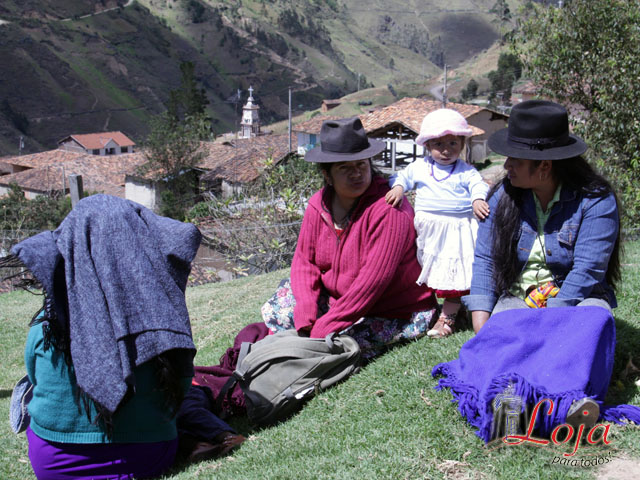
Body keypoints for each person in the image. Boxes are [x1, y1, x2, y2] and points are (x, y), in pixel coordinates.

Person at [3, 194, 242, 480]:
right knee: (189, 392)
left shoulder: (47, 323)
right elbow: (177, 389)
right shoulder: (160, 317)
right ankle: (197, 439)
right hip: (145, 458)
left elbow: (36, 375)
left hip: (54, 466)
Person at [261, 117, 438, 358]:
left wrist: (323, 327)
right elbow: (305, 262)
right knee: (286, 302)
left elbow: (371, 283)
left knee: (339, 345)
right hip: (339, 300)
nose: (356, 174)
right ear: (327, 175)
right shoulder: (318, 204)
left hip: (390, 309)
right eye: (345, 168)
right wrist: (306, 312)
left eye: (361, 165)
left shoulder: (388, 209)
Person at [463, 100, 621, 334]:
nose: (507, 165)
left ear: (544, 166)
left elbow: (587, 270)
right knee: (502, 335)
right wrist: (481, 327)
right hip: (519, 297)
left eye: (516, 159)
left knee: (590, 326)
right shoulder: (502, 197)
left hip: (577, 298)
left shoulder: (595, 201)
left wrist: (550, 321)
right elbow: (486, 259)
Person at [385, 109, 490, 338]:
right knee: (428, 272)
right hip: (428, 231)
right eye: (438, 143)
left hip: (457, 229)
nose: (445, 150)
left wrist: (477, 199)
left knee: (452, 274)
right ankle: (432, 309)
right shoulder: (420, 168)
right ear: (427, 144)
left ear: (462, 143)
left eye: (453, 143)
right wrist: (399, 188)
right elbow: (401, 176)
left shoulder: (465, 171)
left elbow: (478, 185)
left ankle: (447, 318)